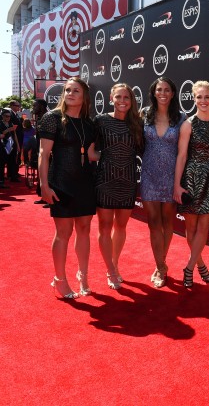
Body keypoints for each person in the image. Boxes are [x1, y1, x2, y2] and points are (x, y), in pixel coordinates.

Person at [38, 77, 96, 298]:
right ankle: (60, 280)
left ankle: (83, 275)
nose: (70, 94)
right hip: (61, 183)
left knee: (84, 230)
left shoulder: (88, 124)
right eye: (68, 90)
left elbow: (90, 154)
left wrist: (116, 154)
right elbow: (44, 154)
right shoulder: (52, 118)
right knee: (63, 232)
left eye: (76, 91)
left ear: (84, 96)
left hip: (85, 183)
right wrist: (44, 185)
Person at [87, 83, 143, 290]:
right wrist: (107, 158)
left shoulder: (137, 123)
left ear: (131, 100)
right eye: (118, 97)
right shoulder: (100, 121)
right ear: (111, 98)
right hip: (105, 180)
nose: (122, 101)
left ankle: (115, 263)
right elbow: (91, 153)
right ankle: (110, 270)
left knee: (121, 226)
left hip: (128, 181)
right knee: (104, 226)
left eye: (126, 97)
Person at [173, 81, 209, 288]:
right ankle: (200, 264)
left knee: (204, 227)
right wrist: (177, 185)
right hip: (191, 178)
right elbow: (182, 156)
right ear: (194, 99)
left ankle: (189, 268)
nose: (203, 101)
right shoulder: (188, 124)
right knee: (191, 228)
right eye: (199, 97)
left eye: (207, 97)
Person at [141, 77, 185, 288]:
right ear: (153, 92)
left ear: (173, 93)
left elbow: (183, 153)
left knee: (168, 222)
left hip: (170, 175)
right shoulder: (144, 115)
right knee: (153, 223)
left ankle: (160, 264)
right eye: (159, 89)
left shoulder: (181, 118)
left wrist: (177, 181)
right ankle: (161, 266)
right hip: (149, 174)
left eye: (167, 90)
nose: (163, 93)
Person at [0, 109, 18, 188]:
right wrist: (8, 130)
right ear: (2, 116)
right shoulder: (0, 124)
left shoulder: (11, 123)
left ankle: (12, 176)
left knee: (12, 161)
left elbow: (15, 135)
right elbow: (2, 134)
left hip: (11, 144)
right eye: (6, 116)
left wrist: (18, 145)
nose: (8, 118)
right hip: (3, 145)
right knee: (2, 163)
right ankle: (1, 180)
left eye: (9, 116)